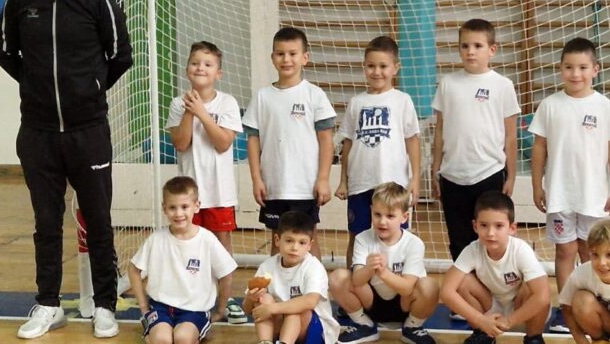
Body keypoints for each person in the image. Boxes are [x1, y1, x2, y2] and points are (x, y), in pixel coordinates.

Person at [0, 0, 132, 339]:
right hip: (37, 133)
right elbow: (6, 53)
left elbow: (120, 55)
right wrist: (38, 87)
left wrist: (89, 91)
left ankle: (105, 306)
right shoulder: (20, 0)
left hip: (88, 132)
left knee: (99, 221)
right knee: (46, 222)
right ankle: (48, 304)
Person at [528, 37, 610, 331]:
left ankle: (595, 304)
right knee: (565, 252)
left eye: (583, 67)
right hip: (560, 195)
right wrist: (537, 186)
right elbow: (539, 149)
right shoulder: (549, 106)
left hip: (593, 197)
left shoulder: (605, 107)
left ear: (595, 69)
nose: (575, 74)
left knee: (591, 252)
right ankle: (567, 309)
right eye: (569, 67)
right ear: (560, 69)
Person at [165, 41, 246, 324]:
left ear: (218, 73)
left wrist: (202, 112)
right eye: (195, 63)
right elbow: (181, 143)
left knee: (221, 246)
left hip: (219, 192)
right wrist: (190, 110)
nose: (201, 68)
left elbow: (223, 143)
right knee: (187, 244)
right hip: (188, 196)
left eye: (208, 64)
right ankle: (192, 297)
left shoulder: (227, 103)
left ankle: (226, 300)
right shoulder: (178, 104)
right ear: (187, 69)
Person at [431, 18, 521, 262]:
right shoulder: (448, 83)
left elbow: (511, 136)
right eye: (465, 46)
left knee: (489, 238)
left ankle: (491, 284)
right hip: (452, 175)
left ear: (492, 49)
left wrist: (511, 175)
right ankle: (465, 285)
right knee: (458, 239)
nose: (470, 51)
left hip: (488, 173)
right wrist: (435, 169)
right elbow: (439, 130)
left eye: (478, 46)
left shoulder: (503, 85)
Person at [243, 27, 337, 258]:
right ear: (272, 57)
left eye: (293, 53)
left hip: (305, 186)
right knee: (278, 240)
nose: (286, 59)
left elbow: (326, 141)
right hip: (274, 186)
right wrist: (256, 179)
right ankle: (277, 282)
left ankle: (316, 282)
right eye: (280, 53)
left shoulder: (314, 95)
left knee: (308, 239)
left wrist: (323, 178)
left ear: (305, 57)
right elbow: (253, 140)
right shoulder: (262, 96)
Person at [335, 36, 421, 267]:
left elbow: (412, 140)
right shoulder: (356, 102)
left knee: (396, 240)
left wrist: (415, 178)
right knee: (357, 237)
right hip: (361, 183)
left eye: (383, 66)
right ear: (364, 67)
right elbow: (348, 143)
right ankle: (355, 283)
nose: (377, 72)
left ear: (395, 68)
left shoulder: (403, 100)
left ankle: (396, 284)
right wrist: (343, 180)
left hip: (393, 184)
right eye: (371, 66)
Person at [128, 177, 238, 344]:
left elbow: (227, 273)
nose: (178, 213)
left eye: (184, 207)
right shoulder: (156, 239)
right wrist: (143, 306)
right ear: (164, 208)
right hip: (161, 307)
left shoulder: (207, 239)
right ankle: (152, 331)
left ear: (196, 206)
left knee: (183, 338)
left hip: (195, 310)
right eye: (172, 207)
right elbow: (133, 269)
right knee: (162, 339)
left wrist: (220, 310)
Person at [329, 183, 439, 344]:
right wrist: (369, 268)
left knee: (430, 286)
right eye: (377, 214)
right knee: (338, 277)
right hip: (371, 304)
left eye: (390, 216)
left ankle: (412, 327)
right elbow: (357, 281)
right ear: (371, 211)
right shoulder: (362, 239)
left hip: (404, 305)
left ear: (404, 217)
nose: (382, 221)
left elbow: (407, 288)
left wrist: (383, 273)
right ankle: (364, 325)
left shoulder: (414, 243)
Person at [439, 191, 550, 344]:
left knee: (535, 289)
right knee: (462, 282)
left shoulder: (521, 250)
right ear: (475, 226)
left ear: (512, 228)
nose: (491, 233)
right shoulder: (472, 250)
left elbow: (543, 296)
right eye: (484, 225)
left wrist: (509, 321)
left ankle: (533, 338)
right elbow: (446, 291)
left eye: (499, 226)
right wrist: (480, 320)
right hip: (489, 309)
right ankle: (482, 335)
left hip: (522, 310)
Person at [243, 211, 340, 344]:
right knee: (263, 299)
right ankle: (265, 341)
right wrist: (251, 298)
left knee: (296, 309)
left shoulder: (314, 267)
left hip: (313, 329)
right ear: (277, 240)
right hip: (282, 326)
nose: (294, 247)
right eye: (289, 241)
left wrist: (272, 308)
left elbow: (310, 301)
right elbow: (247, 309)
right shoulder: (267, 266)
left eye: (302, 243)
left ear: (310, 245)